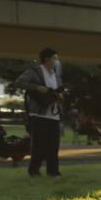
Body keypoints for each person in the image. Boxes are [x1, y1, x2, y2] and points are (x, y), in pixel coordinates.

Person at [15, 47, 65, 178]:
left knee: (54, 145)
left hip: (53, 115)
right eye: (55, 58)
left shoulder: (56, 75)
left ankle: (53, 172)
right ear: (47, 59)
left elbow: (57, 92)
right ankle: (34, 171)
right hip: (38, 114)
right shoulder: (35, 71)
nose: (57, 61)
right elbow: (19, 82)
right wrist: (37, 87)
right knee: (39, 145)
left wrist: (60, 97)